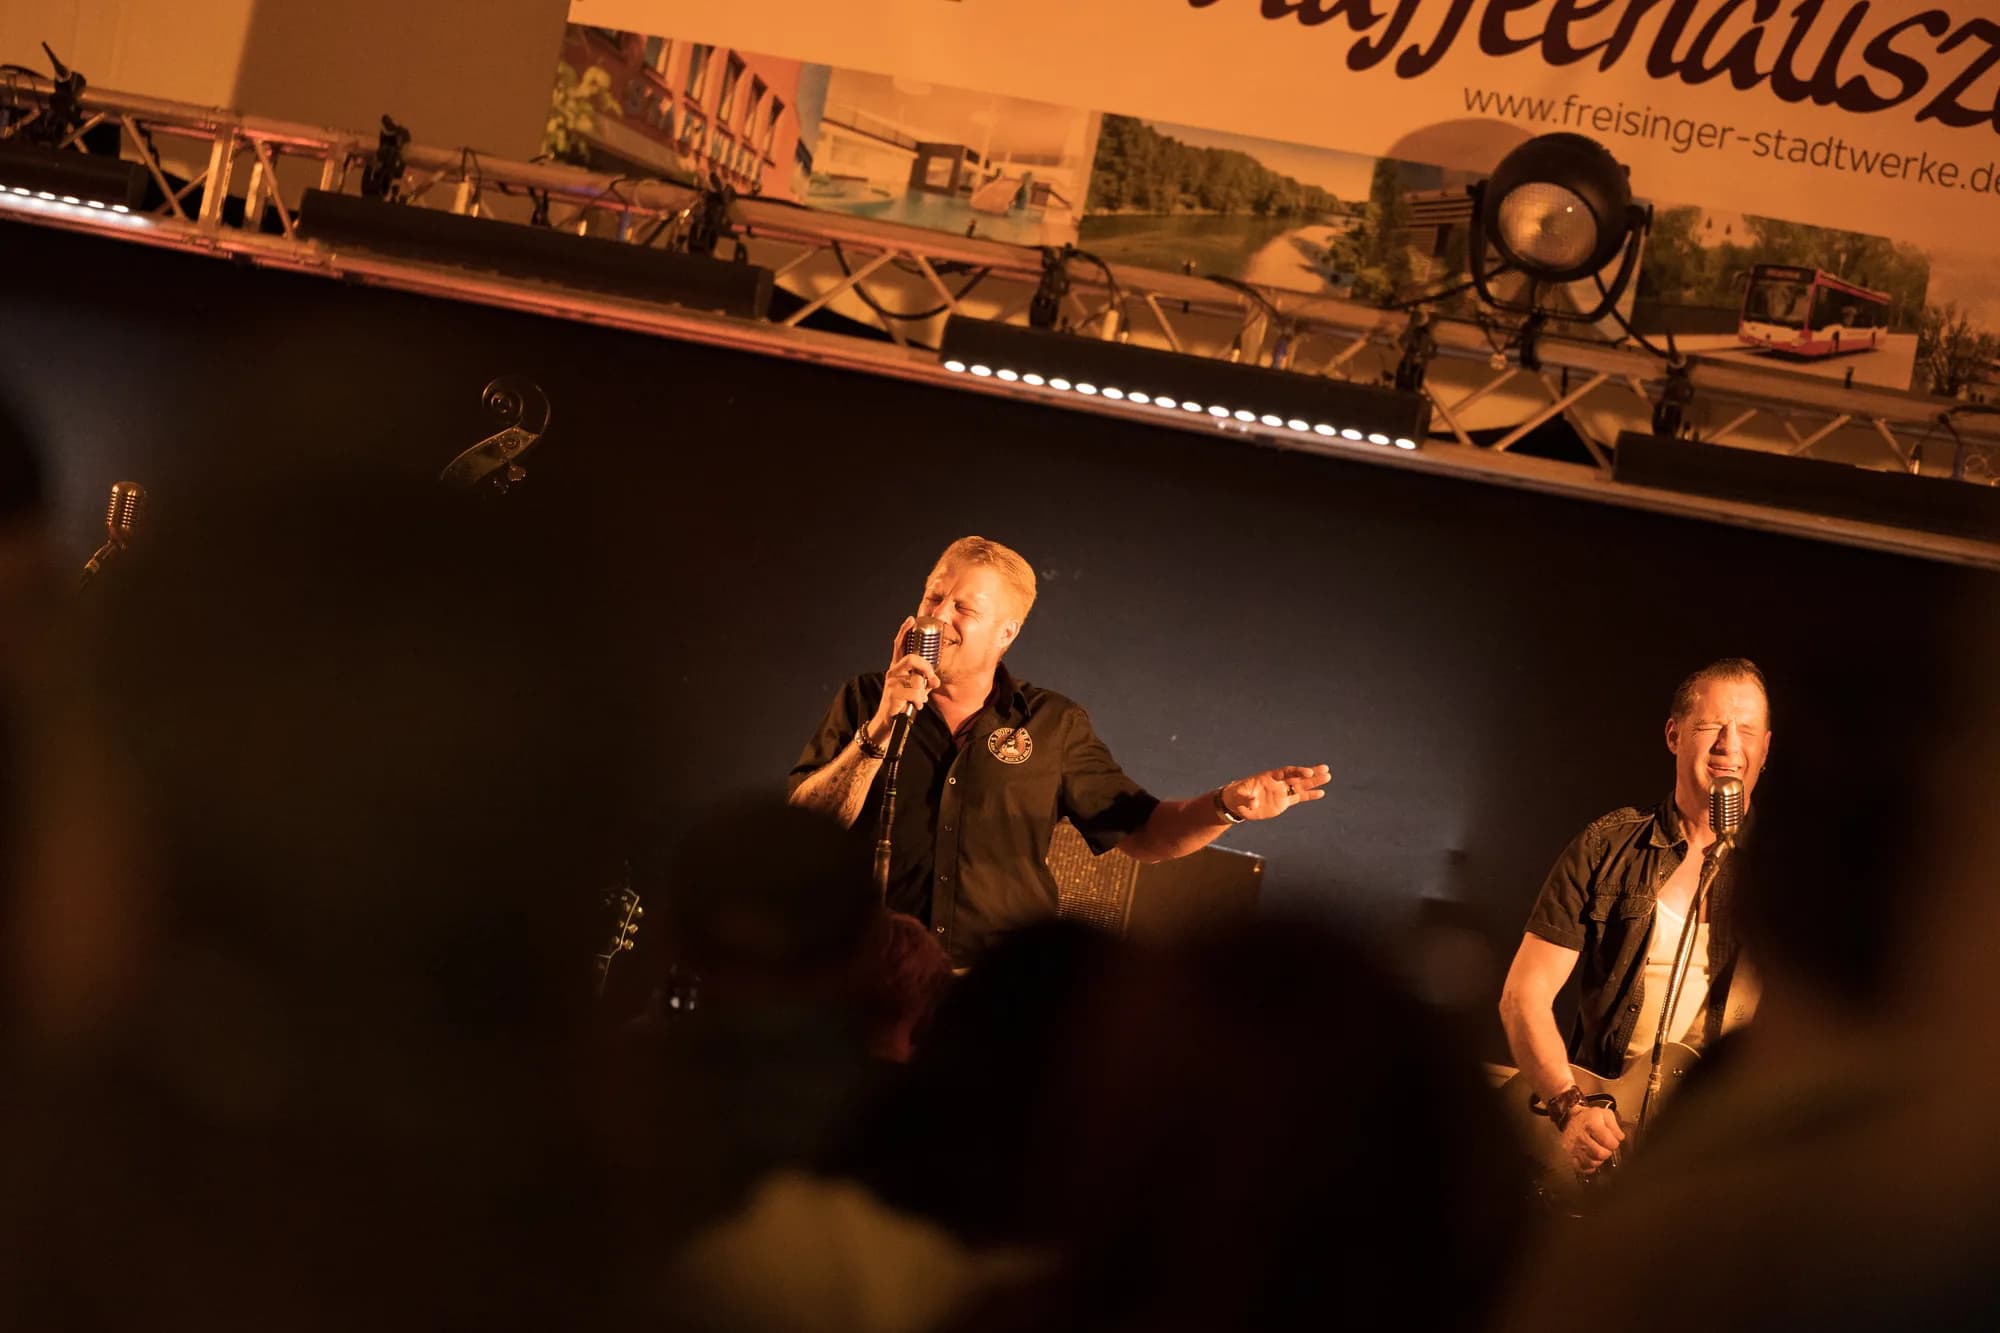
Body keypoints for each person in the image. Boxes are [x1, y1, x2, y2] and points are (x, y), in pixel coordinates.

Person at [786, 535, 1329, 964]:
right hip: (864, 980)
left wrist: (1227, 805)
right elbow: (805, 831)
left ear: (1006, 633)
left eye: (963, 608)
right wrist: (882, 722)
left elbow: (1142, 833)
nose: (938, 616)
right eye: (933, 596)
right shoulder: (864, 699)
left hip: (994, 992)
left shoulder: (1052, 724)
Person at [1496, 658, 1772, 1178]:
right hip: (1603, 1131)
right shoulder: (1607, 847)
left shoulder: (1790, 874)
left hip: (1715, 1149)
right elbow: (1523, 996)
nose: (1728, 746)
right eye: (1711, 726)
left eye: (1747, 731)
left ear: (1765, 748)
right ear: (1674, 735)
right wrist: (1568, 1108)